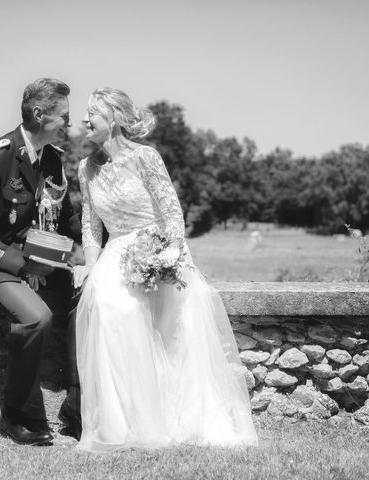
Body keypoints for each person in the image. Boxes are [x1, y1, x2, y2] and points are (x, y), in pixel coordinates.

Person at [72, 88, 258, 451]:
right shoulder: (86, 168)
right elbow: (91, 226)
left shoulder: (146, 157)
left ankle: (170, 418)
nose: (83, 120)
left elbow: (172, 214)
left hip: (157, 249)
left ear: (113, 120)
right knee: (111, 307)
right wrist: (90, 267)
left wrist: (168, 258)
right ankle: (121, 424)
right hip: (115, 253)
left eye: (91, 113)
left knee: (168, 328)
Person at [0, 78, 82, 445]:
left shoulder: (53, 159)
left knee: (86, 298)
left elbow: (67, 220)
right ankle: (17, 416)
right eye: (65, 118)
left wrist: (104, 248)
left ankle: (76, 408)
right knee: (35, 317)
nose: (69, 126)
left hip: (36, 261)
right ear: (39, 114)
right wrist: (24, 267)